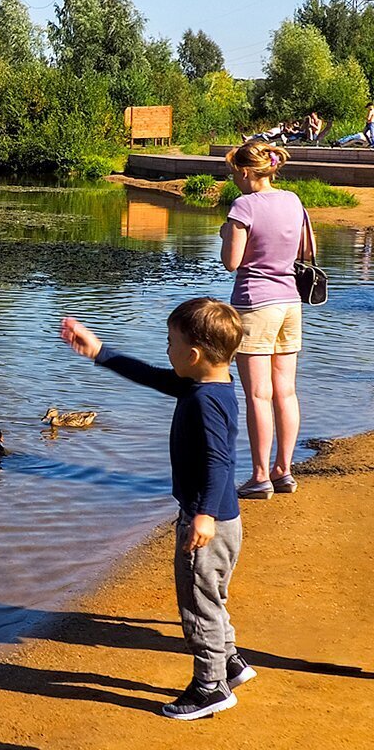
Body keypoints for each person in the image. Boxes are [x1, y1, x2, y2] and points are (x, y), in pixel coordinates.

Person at [59, 300, 251, 720]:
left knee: (198, 604)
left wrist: (202, 515)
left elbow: (220, 461)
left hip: (209, 521)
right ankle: (230, 663)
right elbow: (151, 376)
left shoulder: (204, 400)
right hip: (222, 518)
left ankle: (210, 687)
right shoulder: (209, 384)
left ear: (193, 355)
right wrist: (100, 352)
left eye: (170, 343)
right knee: (210, 596)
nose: (165, 350)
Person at [220, 141, 309, 499]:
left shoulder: (244, 206)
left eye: (234, 174)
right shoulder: (293, 200)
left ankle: (259, 476)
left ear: (245, 172)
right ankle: (283, 471)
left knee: (258, 394)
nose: (234, 180)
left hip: (255, 304)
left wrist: (227, 233)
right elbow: (303, 250)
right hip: (290, 302)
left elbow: (231, 261)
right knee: (285, 391)